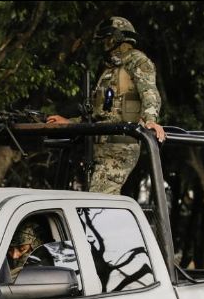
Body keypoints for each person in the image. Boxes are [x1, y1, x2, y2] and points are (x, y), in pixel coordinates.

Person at [47, 16, 166, 195]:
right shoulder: (109, 70)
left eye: (105, 40)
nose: (103, 44)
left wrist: (150, 120)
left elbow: (150, 93)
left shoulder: (137, 61)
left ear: (115, 38)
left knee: (98, 200)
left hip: (119, 147)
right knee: (92, 203)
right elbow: (98, 114)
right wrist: (68, 122)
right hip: (99, 146)